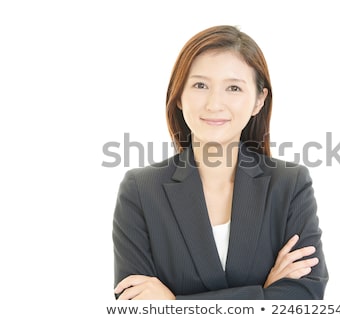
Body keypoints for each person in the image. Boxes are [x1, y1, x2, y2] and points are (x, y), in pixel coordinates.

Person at [112, 25, 328, 300]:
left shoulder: (289, 184)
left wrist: (175, 304)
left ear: (258, 101)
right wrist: (264, 293)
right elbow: (136, 303)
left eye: (234, 88)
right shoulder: (141, 190)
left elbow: (304, 298)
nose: (214, 104)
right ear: (178, 95)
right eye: (200, 85)